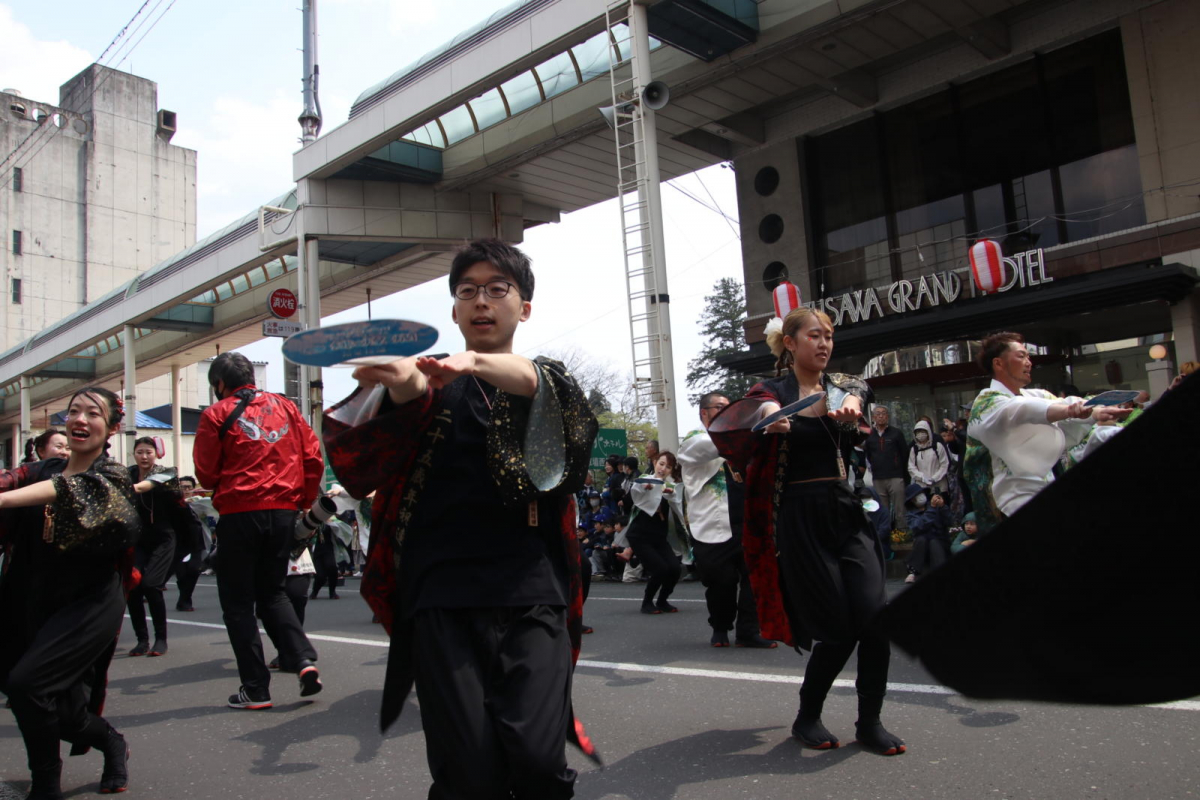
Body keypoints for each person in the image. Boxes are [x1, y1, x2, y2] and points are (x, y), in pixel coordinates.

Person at [322, 238, 599, 798]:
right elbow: (391, 418)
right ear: (453, 310)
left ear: (523, 307)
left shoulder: (544, 379)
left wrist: (470, 361)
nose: (482, 301)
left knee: (539, 759)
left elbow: (537, 387)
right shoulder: (431, 382)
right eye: (468, 291)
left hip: (531, 586)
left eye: (498, 289)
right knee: (467, 770)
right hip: (441, 591)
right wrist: (399, 381)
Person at [709, 306, 905, 756]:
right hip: (798, 515)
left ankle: (870, 722)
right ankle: (807, 715)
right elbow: (744, 419)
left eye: (829, 336)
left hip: (845, 510)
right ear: (791, 343)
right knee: (837, 626)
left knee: (875, 619)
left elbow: (857, 398)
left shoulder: (844, 387)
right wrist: (770, 419)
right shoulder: (770, 390)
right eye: (814, 335)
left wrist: (853, 408)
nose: (823, 343)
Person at [0, 387, 138, 799]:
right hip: (32, 595)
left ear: (112, 426)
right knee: (59, 712)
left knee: (29, 687)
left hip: (89, 602)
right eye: (73, 411)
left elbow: (69, 493)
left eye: (92, 413)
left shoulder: (112, 478)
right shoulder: (39, 470)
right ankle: (112, 742)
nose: (80, 419)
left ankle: (45, 784)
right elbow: (14, 479)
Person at [194, 351, 324, 709]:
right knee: (273, 592)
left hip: (240, 512)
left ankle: (255, 689)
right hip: (283, 511)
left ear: (219, 384)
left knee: (238, 604)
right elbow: (313, 457)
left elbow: (205, 473)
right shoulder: (287, 408)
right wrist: (303, 500)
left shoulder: (215, 414)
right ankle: (301, 660)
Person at [963, 332, 1129, 532]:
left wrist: (1095, 412)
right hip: (1006, 505)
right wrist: (1069, 411)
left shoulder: (1036, 395)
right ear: (998, 363)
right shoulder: (986, 402)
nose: (1028, 362)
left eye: (1028, 356)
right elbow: (1021, 409)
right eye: (1021, 356)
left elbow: (1061, 410)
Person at [678, 391, 774, 649]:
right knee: (721, 581)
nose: (725, 412)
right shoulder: (693, 440)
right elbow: (706, 448)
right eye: (719, 407)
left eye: (729, 408)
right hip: (712, 524)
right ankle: (720, 626)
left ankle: (748, 631)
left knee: (754, 577)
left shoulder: (743, 440)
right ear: (704, 413)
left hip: (747, 519)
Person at [125, 436, 200, 654]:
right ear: (134, 454)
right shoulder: (127, 474)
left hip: (164, 537)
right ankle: (142, 640)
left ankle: (161, 639)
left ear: (156, 453)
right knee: (134, 586)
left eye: (148, 451)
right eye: (140, 452)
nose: (144, 456)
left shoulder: (166, 473)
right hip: (138, 539)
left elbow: (175, 501)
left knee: (151, 584)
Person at [627, 452, 688, 615]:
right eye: (661, 464)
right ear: (655, 463)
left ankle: (662, 600)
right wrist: (648, 487)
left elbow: (676, 502)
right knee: (660, 568)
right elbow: (636, 489)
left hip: (659, 537)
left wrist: (669, 492)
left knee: (675, 568)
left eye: (668, 466)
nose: (663, 468)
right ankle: (647, 603)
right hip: (639, 536)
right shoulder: (645, 479)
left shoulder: (670, 486)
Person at [864, 406, 909, 533]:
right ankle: (886, 534)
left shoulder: (896, 433)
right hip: (878, 477)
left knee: (899, 507)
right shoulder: (869, 435)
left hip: (895, 475)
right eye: (878, 414)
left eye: (884, 413)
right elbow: (868, 455)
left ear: (887, 416)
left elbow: (904, 453)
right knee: (882, 508)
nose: (881, 416)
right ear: (873, 417)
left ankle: (903, 533)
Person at [902, 489, 954, 583]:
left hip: (940, 541)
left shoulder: (936, 506)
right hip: (922, 546)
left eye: (920, 494)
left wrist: (942, 506)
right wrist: (932, 509)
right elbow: (919, 526)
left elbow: (950, 521)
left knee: (934, 542)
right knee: (921, 539)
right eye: (915, 497)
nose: (919, 497)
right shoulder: (911, 515)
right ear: (912, 501)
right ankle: (913, 572)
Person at [907, 418, 949, 495]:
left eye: (922, 431)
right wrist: (922, 477)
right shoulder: (914, 449)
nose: (920, 434)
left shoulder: (937, 446)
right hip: (922, 487)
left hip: (939, 486)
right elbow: (911, 467)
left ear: (928, 432)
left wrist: (934, 478)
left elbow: (944, 464)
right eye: (918, 432)